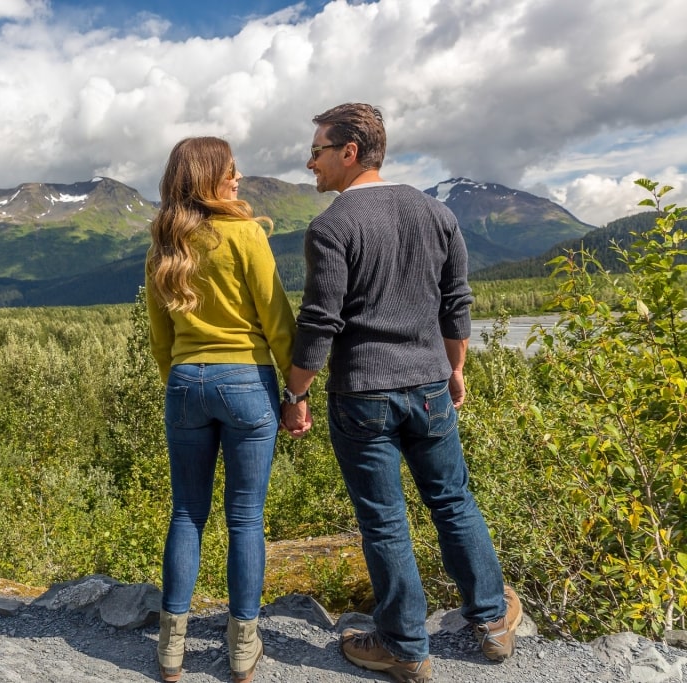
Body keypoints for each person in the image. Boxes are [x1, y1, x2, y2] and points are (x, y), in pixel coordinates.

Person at [279, 103, 522, 683]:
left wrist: (295, 393)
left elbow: (320, 321)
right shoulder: (435, 213)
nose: (309, 162)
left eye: (317, 150)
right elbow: (456, 301)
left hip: (363, 393)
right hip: (430, 387)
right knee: (453, 501)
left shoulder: (333, 227)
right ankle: (491, 622)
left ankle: (405, 646)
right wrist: (454, 368)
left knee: (385, 522)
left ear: (350, 152)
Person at [145, 136, 305, 683]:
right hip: (247, 382)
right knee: (245, 518)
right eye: (231, 173)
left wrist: (184, 383)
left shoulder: (165, 244)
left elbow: (159, 337)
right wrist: (296, 393)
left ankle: (170, 652)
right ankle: (242, 649)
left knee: (187, 512)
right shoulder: (246, 235)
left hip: (186, 380)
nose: (238, 180)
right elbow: (278, 322)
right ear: (209, 178)